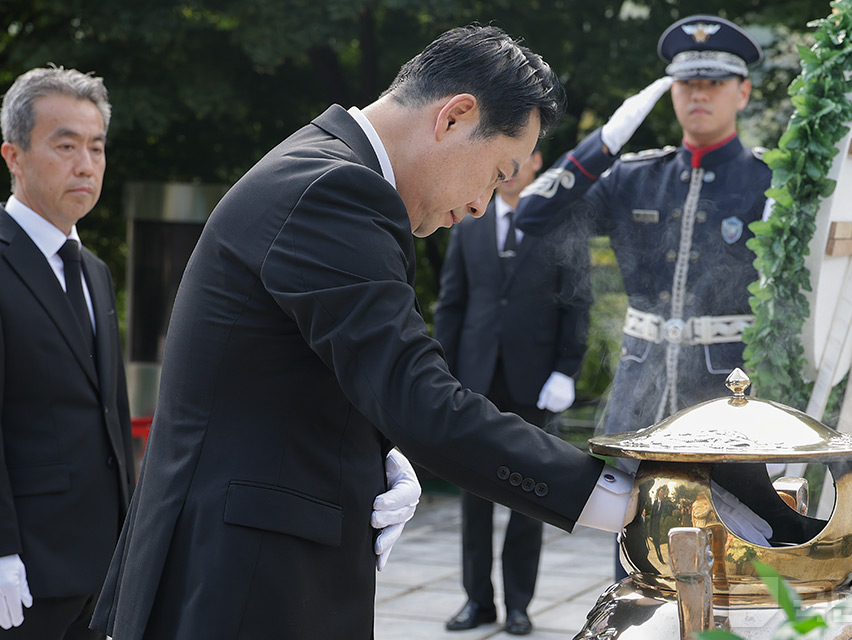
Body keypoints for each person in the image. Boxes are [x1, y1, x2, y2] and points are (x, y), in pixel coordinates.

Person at [90, 25, 636, 640]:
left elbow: (301, 375)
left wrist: (378, 452)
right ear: (455, 117)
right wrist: (619, 498)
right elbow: (418, 397)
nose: (485, 204)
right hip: (244, 584)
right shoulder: (336, 190)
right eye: (497, 172)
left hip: (249, 565)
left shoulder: (323, 166)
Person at [513, 15, 821, 579]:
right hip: (642, 396)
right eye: (686, 84)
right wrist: (604, 142)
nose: (698, 95)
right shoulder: (632, 175)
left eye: (714, 83)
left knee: (737, 557)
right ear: (669, 92)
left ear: (743, 92)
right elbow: (533, 213)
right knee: (636, 553)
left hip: (730, 397)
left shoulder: (768, 184)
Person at [0, 67, 135, 637]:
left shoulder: (95, 272)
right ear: (14, 156)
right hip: (27, 565)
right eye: (66, 145)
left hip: (102, 567)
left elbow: (109, 416)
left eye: (96, 147)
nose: (86, 164)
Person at [436, 148, 592, 635]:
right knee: (473, 496)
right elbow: (453, 304)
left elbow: (578, 304)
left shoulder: (559, 224)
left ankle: (519, 604)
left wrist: (567, 370)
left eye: (521, 161)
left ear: (537, 163)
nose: (509, 171)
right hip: (474, 379)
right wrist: (442, 371)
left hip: (534, 382)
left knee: (528, 495)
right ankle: (477, 601)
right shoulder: (468, 222)